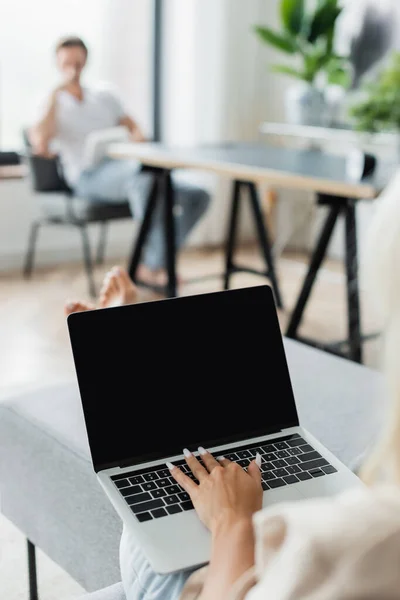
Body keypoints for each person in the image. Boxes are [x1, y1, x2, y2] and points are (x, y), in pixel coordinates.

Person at [65, 171, 400, 598]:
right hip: (344, 512)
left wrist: (231, 521)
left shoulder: (345, 554)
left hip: (243, 568)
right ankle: (131, 334)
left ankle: (127, 341)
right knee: (352, 467)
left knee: (147, 542)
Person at [30, 36, 210, 287]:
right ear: (58, 64)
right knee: (145, 183)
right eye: (67, 63)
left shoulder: (104, 96)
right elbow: (39, 144)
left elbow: (136, 129)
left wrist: (136, 138)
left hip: (122, 167)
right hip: (86, 177)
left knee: (198, 195)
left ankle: (153, 263)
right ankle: (152, 266)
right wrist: (55, 95)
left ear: (85, 61)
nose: (73, 68)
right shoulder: (51, 102)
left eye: (77, 62)